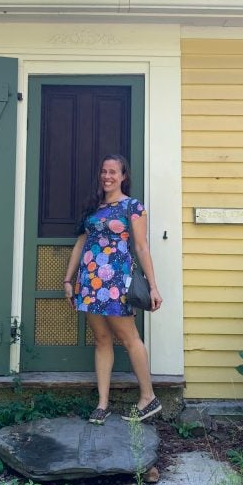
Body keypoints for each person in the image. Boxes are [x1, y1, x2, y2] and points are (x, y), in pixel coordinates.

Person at [63, 154, 163, 424]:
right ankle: (103, 403)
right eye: (104, 171)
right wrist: (68, 280)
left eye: (113, 172)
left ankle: (149, 397)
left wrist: (153, 287)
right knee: (102, 340)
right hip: (90, 283)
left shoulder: (133, 207)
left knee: (129, 338)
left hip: (116, 283)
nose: (107, 176)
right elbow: (80, 244)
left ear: (123, 176)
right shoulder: (93, 207)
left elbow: (142, 247)